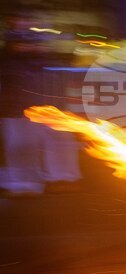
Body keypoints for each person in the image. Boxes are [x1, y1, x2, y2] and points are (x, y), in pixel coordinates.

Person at [0, 15, 82, 197]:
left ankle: (63, 180)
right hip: (17, 109)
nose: (25, 44)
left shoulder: (46, 56)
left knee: (59, 142)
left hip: (48, 108)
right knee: (22, 146)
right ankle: (25, 184)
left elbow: (58, 74)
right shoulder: (9, 59)